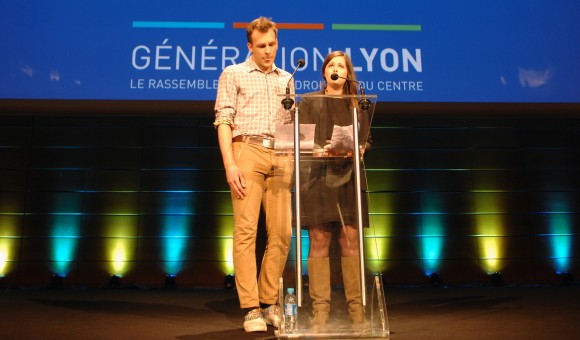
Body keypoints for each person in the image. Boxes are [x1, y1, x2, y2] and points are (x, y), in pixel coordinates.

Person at [213, 17, 295, 333]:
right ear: (250, 46)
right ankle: (250, 308)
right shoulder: (233, 73)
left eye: (272, 44)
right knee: (246, 231)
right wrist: (229, 164)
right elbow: (223, 120)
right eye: (261, 46)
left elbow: (289, 125)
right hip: (246, 151)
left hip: (280, 155)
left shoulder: (287, 78)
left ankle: (268, 301)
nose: (267, 51)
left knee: (282, 232)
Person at [297, 51, 372, 330]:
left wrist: (361, 148)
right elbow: (299, 139)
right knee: (319, 240)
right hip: (317, 176)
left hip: (349, 176)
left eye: (342, 65)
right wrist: (318, 150)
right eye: (332, 65)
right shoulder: (309, 101)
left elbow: (368, 139)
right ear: (324, 72)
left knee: (350, 240)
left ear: (348, 73)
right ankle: (320, 313)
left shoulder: (359, 104)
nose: (336, 69)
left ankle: (357, 313)